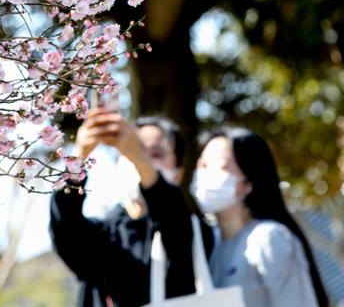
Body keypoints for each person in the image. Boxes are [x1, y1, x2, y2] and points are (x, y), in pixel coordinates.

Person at [50, 110, 203, 307]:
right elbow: (65, 225)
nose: (138, 160)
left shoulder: (192, 231)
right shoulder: (103, 234)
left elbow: (174, 222)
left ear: (179, 172)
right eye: (129, 151)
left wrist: (140, 159)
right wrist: (79, 157)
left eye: (156, 154)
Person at [189, 126, 329, 307]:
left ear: (249, 182)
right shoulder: (208, 243)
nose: (205, 175)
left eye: (222, 166)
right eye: (203, 165)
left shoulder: (269, 238)